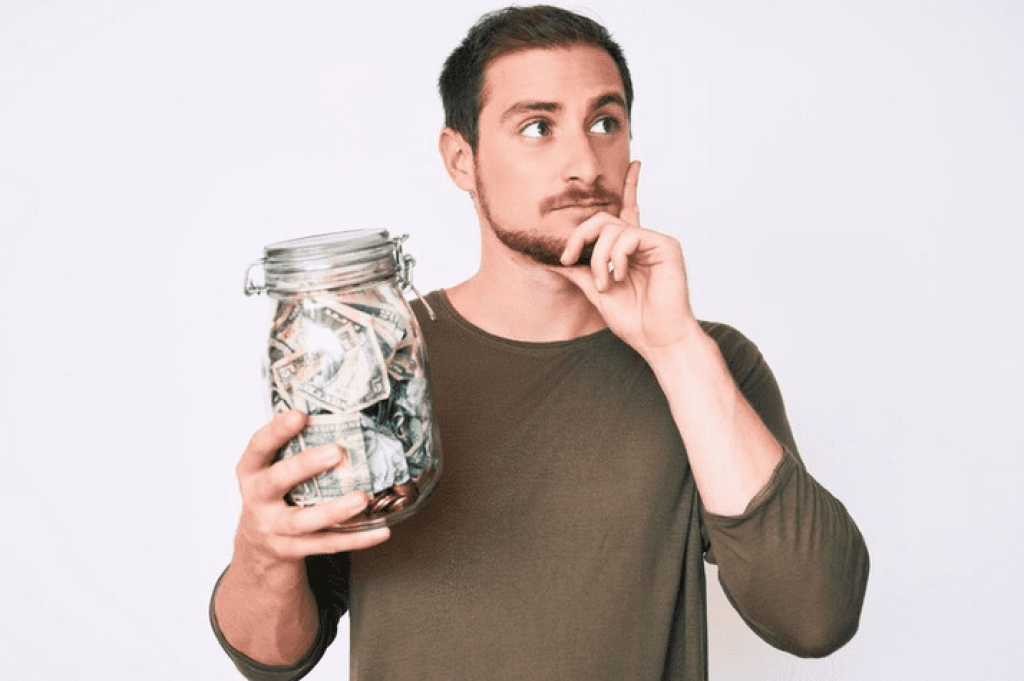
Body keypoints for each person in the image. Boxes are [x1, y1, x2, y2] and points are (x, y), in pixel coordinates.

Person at [210, 5, 869, 679]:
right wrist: (263, 548)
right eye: (537, 127)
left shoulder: (706, 362)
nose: (584, 162)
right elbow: (272, 654)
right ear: (461, 159)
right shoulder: (375, 352)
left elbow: (816, 615)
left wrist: (673, 347)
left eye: (605, 123)